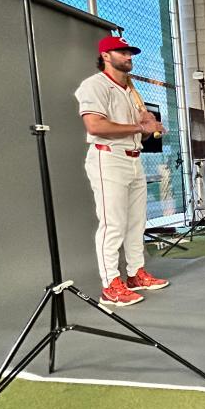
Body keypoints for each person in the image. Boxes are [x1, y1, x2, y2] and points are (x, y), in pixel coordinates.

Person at [75, 35, 170, 307]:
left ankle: (135, 273)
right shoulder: (94, 85)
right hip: (108, 158)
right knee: (112, 224)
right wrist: (139, 128)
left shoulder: (129, 88)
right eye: (121, 52)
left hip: (133, 157)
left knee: (136, 222)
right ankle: (110, 286)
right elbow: (95, 126)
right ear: (106, 56)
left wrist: (149, 123)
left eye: (129, 52)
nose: (128, 56)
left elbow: (144, 125)